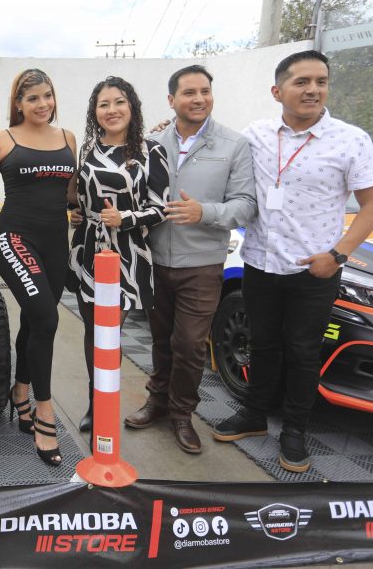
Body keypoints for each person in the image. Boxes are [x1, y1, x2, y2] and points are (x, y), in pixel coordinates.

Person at [212, 50, 373, 473]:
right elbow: (216, 153)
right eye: (302, 82)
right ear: (278, 91)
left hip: (313, 270)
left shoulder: (351, 139)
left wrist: (338, 255)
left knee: (303, 353)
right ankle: (255, 415)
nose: (313, 90)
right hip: (259, 263)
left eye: (321, 81)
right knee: (262, 345)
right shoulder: (255, 135)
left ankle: (294, 432)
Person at [124, 65, 256, 454]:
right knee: (160, 340)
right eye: (189, 93)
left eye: (205, 91)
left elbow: (246, 205)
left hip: (201, 264)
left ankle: (182, 413)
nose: (199, 99)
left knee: (190, 344)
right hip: (154, 261)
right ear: (171, 100)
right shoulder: (150, 142)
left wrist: (204, 212)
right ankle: (158, 402)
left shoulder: (234, 145)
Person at [0, 68, 77, 466]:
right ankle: (44, 411)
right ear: (18, 104)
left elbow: (73, 196)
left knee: (36, 320)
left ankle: (19, 391)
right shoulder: (2, 140)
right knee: (47, 317)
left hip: (55, 242)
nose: (43, 104)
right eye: (33, 98)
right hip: (13, 238)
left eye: (47, 96)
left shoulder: (68, 138)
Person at [70, 76, 170, 435]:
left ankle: (107, 401)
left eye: (119, 102)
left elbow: (160, 208)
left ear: (132, 107)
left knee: (110, 332)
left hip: (127, 253)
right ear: (94, 112)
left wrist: (124, 218)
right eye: (104, 104)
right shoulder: (87, 149)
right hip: (88, 249)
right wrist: (77, 213)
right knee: (92, 330)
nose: (111, 110)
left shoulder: (150, 151)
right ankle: (95, 403)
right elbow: (82, 198)